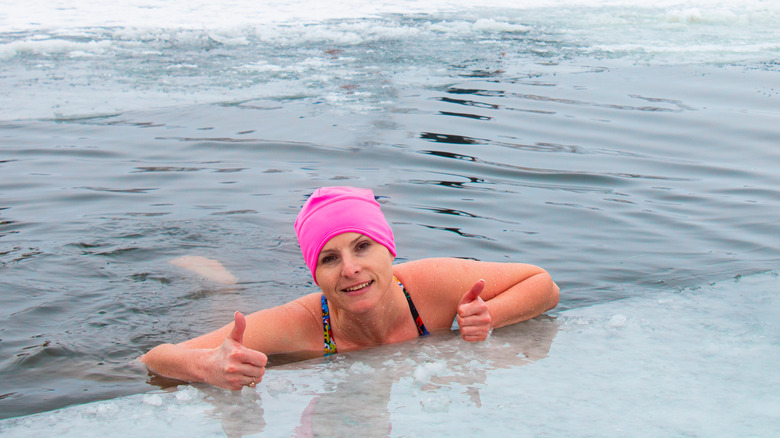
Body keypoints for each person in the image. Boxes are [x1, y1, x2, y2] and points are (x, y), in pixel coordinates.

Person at [140, 186, 559, 390]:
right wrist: (209, 367)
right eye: (329, 258)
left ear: (389, 251)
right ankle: (218, 279)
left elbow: (544, 283)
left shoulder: (430, 285)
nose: (351, 269)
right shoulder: (303, 324)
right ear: (316, 276)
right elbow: (154, 358)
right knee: (226, 307)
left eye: (362, 247)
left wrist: (491, 316)